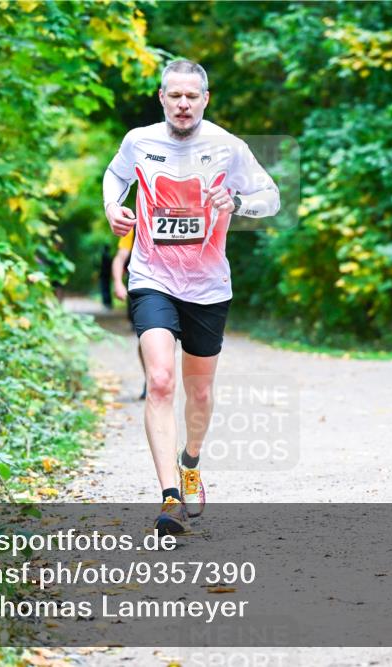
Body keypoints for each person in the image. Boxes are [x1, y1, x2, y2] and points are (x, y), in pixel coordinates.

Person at [103, 59, 280, 534]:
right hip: (151, 277)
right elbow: (115, 176)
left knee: (198, 392)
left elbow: (272, 196)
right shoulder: (139, 141)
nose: (183, 104)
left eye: (192, 96)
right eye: (174, 96)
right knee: (160, 380)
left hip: (207, 287)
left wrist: (238, 203)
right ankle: (169, 497)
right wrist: (111, 209)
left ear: (205, 98)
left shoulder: (228, 146)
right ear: (162, 97)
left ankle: (191, 462)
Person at [111, 229, 147, 400]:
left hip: (184, 287)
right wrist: (118, 283)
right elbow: (120, 257)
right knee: (147, 337)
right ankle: (152, 378)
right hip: (143, 287)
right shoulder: (135, 226)